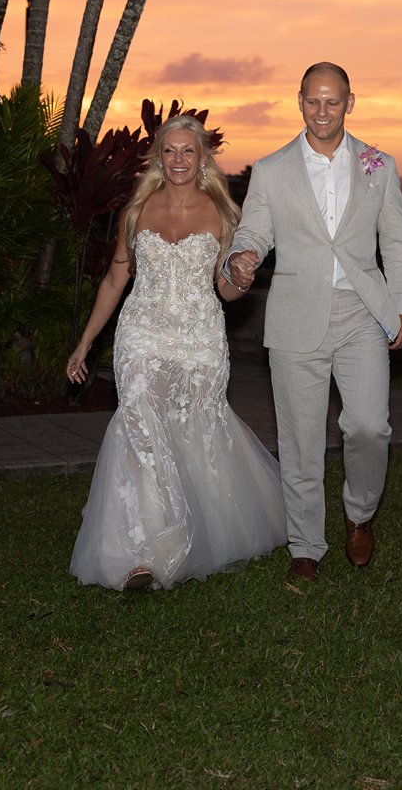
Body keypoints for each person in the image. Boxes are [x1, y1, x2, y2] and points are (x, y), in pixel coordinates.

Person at [66, 115, 284, 591]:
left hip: (200, 336)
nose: (179, 160)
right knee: (140, 424)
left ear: (203, 157)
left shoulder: (225, 214)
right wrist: (85, 342)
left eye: (189, 151)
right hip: (141, 331)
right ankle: (146, 550)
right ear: (158, 157)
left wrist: (241, 279)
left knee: (198, 428)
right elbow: (114, 281)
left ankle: (203, 528)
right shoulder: (136, 209)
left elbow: (225, 290)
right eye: (170, 151)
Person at [226, 62, 402, 584]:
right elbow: (253, 232)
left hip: (361, 311)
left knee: (368, 426)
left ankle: (360, 512)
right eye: (313, 100)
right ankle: (306, 546)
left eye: (333, 101)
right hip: (295, 315)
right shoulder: (271, 169)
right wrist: (242, 257)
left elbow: (397, 241)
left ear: (350, 103)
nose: (322, 111)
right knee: (300, 438)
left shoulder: (379, 165)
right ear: (299, 100)